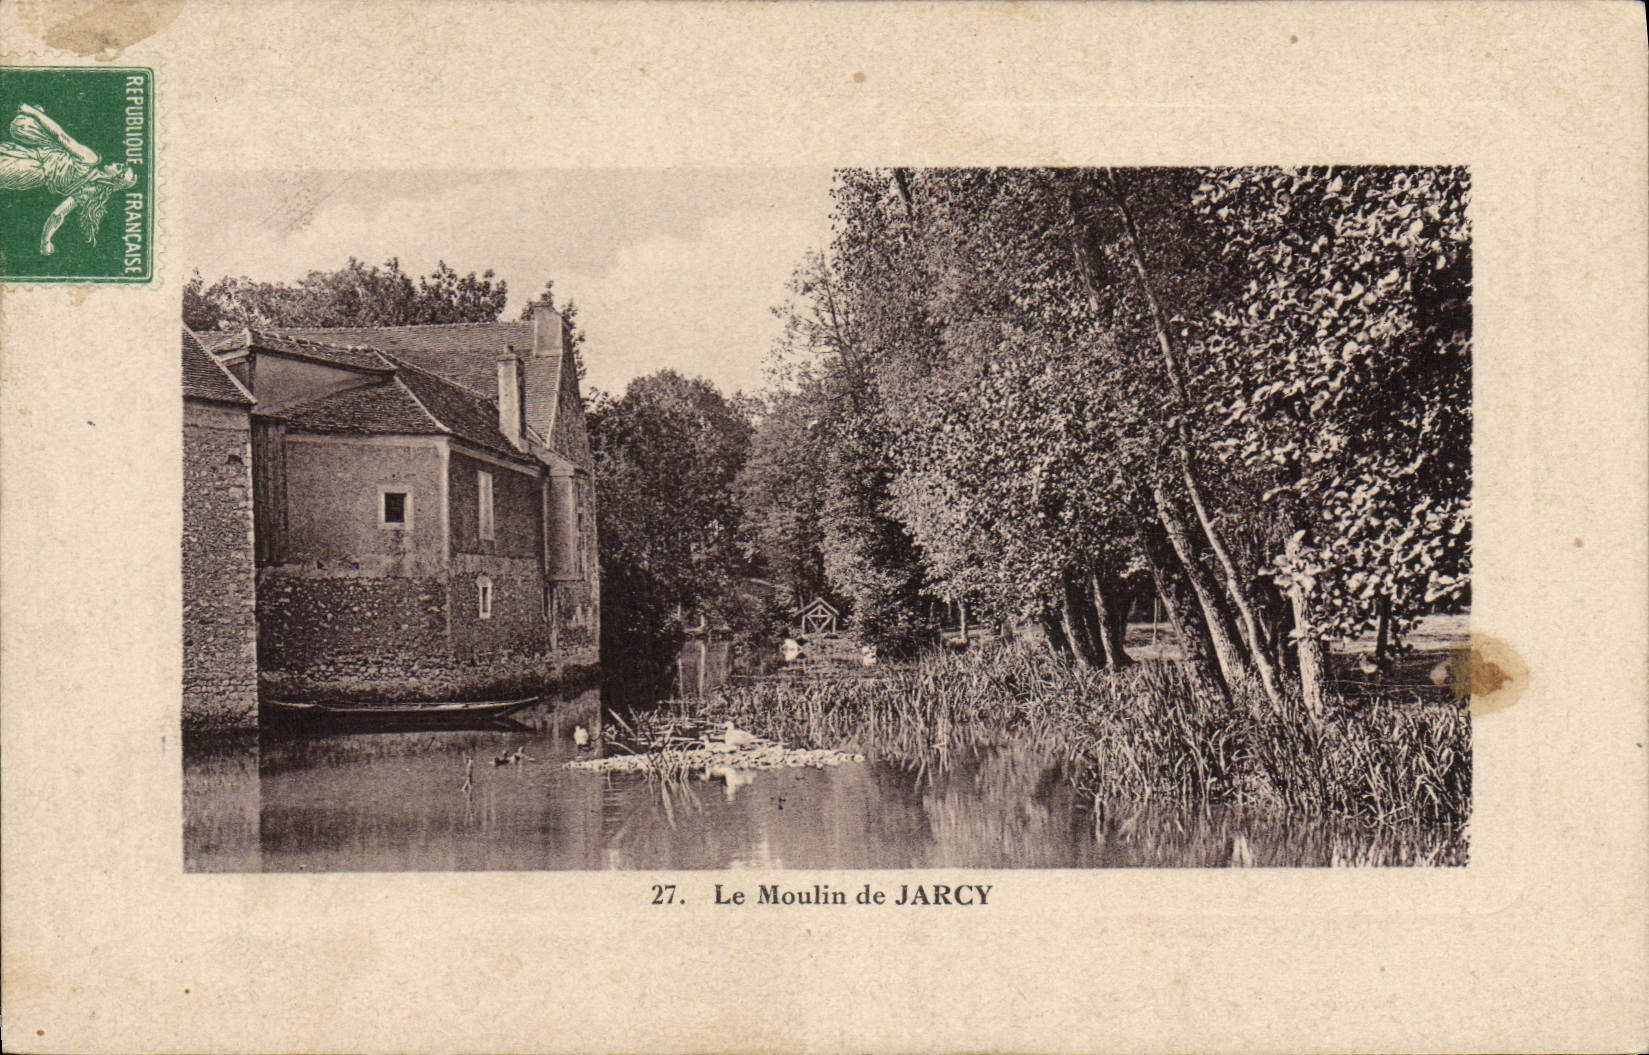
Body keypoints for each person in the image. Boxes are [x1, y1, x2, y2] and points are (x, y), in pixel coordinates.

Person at [0, 103, 136, 255]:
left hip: (28, 168)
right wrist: (45, 241)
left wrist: (32, 111)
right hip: (30, 168)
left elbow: (60, 136)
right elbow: (58, 215)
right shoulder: (89, 191)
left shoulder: (91, 159)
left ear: (114, 179)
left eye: (120, 169)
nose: (117, 164)